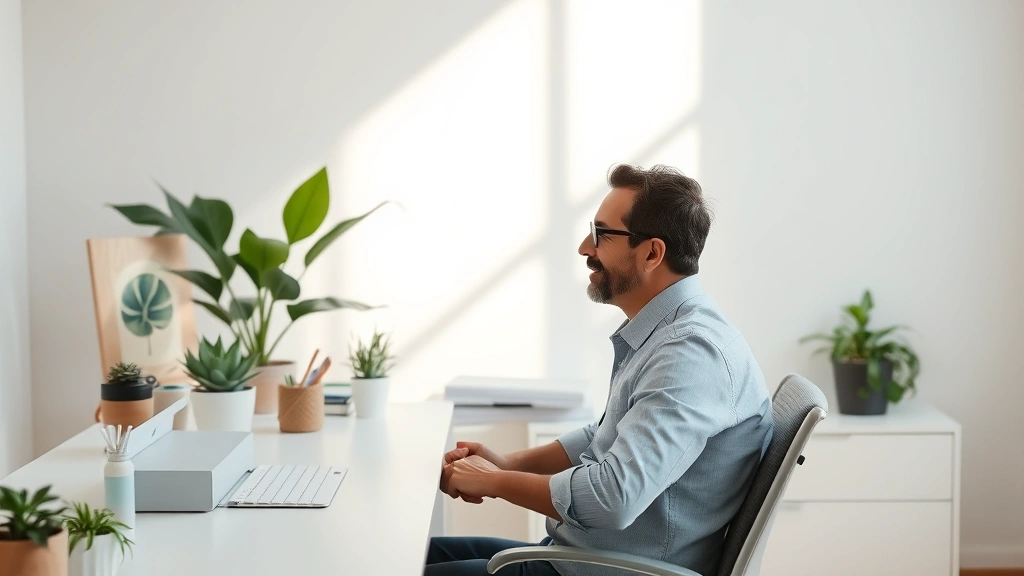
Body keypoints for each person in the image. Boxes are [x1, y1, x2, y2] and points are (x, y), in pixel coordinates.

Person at [427, 164, 774, 576]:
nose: (583, 248)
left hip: (606, 569)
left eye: (600, 234)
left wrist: (493, 482)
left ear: (651, 253)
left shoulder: (690, 354)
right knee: (412, 556)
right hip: (579, 555)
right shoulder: (668, 331)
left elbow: (613, 498)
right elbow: (604, 435)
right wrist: (507, 463)